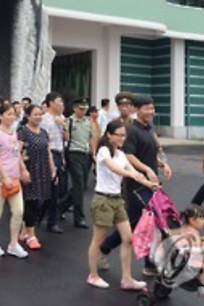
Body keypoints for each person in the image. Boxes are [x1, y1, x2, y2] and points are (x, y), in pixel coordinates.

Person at [99, 94, 172, 277]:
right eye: (146, 108)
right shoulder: (131, 130)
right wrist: (147, 170)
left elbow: (147, 152)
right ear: (136, 110)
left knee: (141, 223)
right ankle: (146, 262)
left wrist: (162, 165)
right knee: (144, 223)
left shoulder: (148, 129)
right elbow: (129, 155)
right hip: (136, 186)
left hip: (149, 184)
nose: (150, 112)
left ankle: (109, 249)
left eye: (152, 108)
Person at [87, 120, 155, 291]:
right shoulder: (103, 151)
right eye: (119, 135)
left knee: (128, 238)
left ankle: (127, 279)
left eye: (124, 135)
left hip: (117, 200)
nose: (122, 138)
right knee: (98, 240)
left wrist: (149, 183)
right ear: (109, 135)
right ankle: (93, 275)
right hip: (103, 200)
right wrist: (130, 175)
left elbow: (133, 171)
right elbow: (116, 169)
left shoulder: (121, 154)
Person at [0, 103, 30, 258]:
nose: (11, 117)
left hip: (14, 178)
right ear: (1, 116)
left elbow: (16, 154)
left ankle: (13, 244)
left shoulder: (13, 133)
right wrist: (4, 177)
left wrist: (23, 169)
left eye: (13, 114)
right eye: (8, 114)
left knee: (18, 211)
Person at [18, 104, 55, 250]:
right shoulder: (23, 131)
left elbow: (48, 152)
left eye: (40, 114)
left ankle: (24, 230)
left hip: (43, 170)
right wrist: (23, 170)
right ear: (28, 116)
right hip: (30, 170)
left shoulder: (44, 132)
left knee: (43, 200)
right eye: (35, 114)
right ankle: (31, 235)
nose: (38, 117)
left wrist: (53, 170)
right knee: (31, 202)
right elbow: (17, 152)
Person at [60, 98, 100, 229]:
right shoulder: (69, 121)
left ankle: (58, 208)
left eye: (85, 109)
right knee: (78, 185)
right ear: (74, 108)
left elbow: (91, 138)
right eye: (81, 109)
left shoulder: (89, 122)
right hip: (73, 153)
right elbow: (64, 139)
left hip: (86, 154)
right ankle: (79, 218)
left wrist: (93, 154)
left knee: (81, 186)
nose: (83, 111)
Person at [42, 92, 67, 233]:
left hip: (59, 153)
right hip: (49, 154)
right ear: (51, 103)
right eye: (59, 102)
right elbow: (45, 142)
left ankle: (46, 217)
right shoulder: (45, 120)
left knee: (58, 188)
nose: (62, 105)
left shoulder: (61, 118)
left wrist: (63, 126)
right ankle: (51, 221)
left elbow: (66, 138)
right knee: (52, 188)